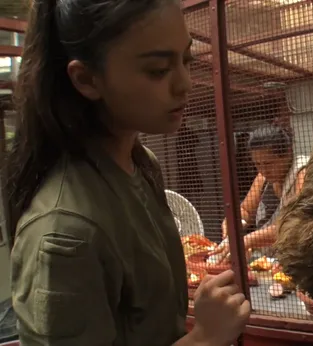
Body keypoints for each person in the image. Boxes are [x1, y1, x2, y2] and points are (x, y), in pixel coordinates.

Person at [6, 1, 250, 345]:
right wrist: (206, 338)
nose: (185, 84)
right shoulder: (65, 230)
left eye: (186, 60)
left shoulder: (142, 164)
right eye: (157, 70)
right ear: (87, 79)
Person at [213, 124, 308, 262]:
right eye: (258, 164)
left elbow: (292, 224)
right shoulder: (263, 177)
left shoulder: (303, 173)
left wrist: (247, 240)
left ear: (288, 153)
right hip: (269, 259)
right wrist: (232, 224)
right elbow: (245, 210)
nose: (264, 170)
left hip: (299, 260)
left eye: (269, 163)